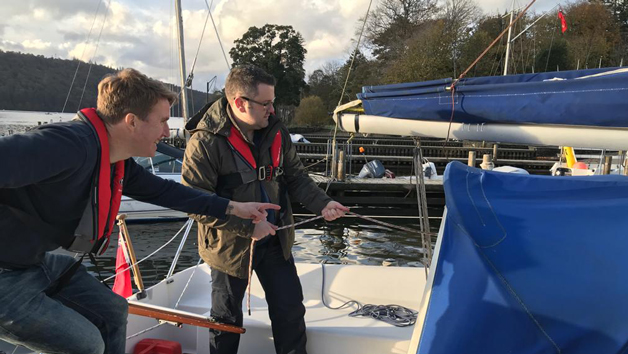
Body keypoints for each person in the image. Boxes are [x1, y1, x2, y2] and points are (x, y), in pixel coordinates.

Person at [0, 68, 280, 354]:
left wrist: (234, 207)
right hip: (5, 278)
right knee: (86, 344)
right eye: (161, 121)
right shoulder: (67, 144)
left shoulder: (113, 160)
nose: (167, 132)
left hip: (34, 265)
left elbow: (169, 192)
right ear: (131, 122)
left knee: (113, 311)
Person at [182, 65, 349, 354]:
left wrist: (324, 204)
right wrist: (248, 227)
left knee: (290, 311)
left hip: (275, 239)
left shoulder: (276, 131)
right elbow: (194, 202)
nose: (272, 110)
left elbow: (296, 177)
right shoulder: (204, 142)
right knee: (225, 321)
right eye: (266, 103)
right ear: (239, 103)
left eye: (272, 102)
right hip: (228, 248)